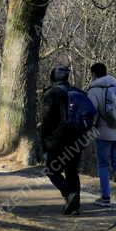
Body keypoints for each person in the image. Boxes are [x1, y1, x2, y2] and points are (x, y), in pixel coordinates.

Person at [39, 65, 90, 215]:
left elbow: (47, 121)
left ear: (53, 77)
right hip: (78, 138)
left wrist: (44, 142)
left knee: (51, 169)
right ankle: (74, 206)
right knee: (72, 171)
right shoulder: (79, 92)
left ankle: (69, 195)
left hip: (58, 139)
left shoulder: (51, 93)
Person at [86, 63, 116, 207]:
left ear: (93, 73)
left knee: (104, 165)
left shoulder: (94, 90)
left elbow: (90, 113)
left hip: (103, 134)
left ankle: (105, 197)